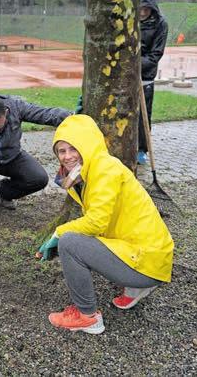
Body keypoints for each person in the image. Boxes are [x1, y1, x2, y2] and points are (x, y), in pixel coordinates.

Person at [38, 115, 174, 334]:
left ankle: (87, 317)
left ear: (87, 145)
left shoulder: (104, 169)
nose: (67, 156)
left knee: (69, 243)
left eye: (73, 149)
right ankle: (137, 287)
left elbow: (96, 222)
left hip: (147, 259)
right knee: (75, 238)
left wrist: (58, 233)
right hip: (151, 255)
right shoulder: (86, 171)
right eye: (61, 151)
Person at [138, 0, 168, 165]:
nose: (143, 12)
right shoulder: (129, 20)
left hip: (145, 75)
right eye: (140, 8)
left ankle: (141, 149)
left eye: (146, 9)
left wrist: (136, 64)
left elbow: (156, 54)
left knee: (143, 115)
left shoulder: (160, 24)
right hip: (126, 75)